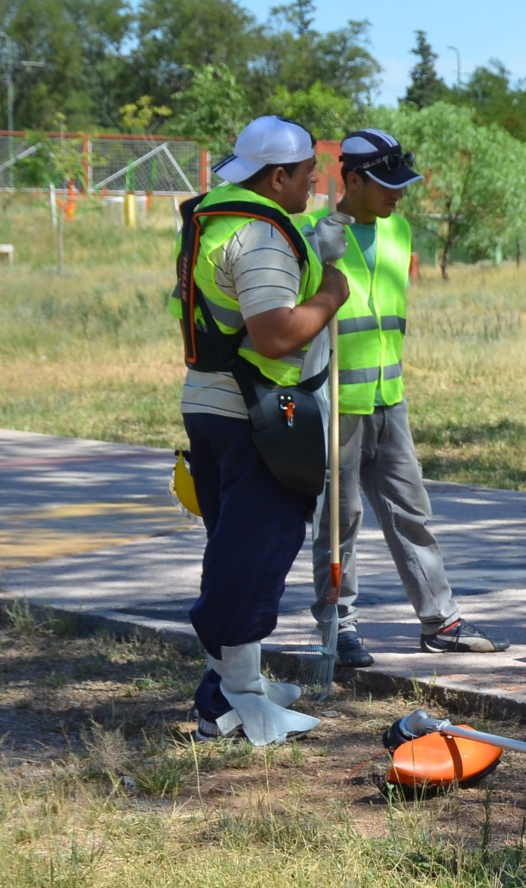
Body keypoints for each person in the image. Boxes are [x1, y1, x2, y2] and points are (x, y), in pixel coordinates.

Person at [298, 129, 508, 667]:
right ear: (351, 180)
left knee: (410, 512)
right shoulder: (310, 234)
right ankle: (337, 625)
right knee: (337, 521)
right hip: (335, 402)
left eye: (403, 184)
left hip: (389, 398)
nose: (400, 195)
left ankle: (441, 620)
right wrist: (320, 262)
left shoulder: (400, 231)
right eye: (388, 185)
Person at [173, 115, 348, 745]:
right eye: (307, 173)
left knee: (234, 548)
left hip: (214, 404)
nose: (314, 181)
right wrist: (331, 292)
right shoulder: (262, 237)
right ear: (278, 176)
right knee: (256, 552)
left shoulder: (216, 221)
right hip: (258, 414)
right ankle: (232, 701)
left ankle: (240, 683)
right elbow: (276, 333)